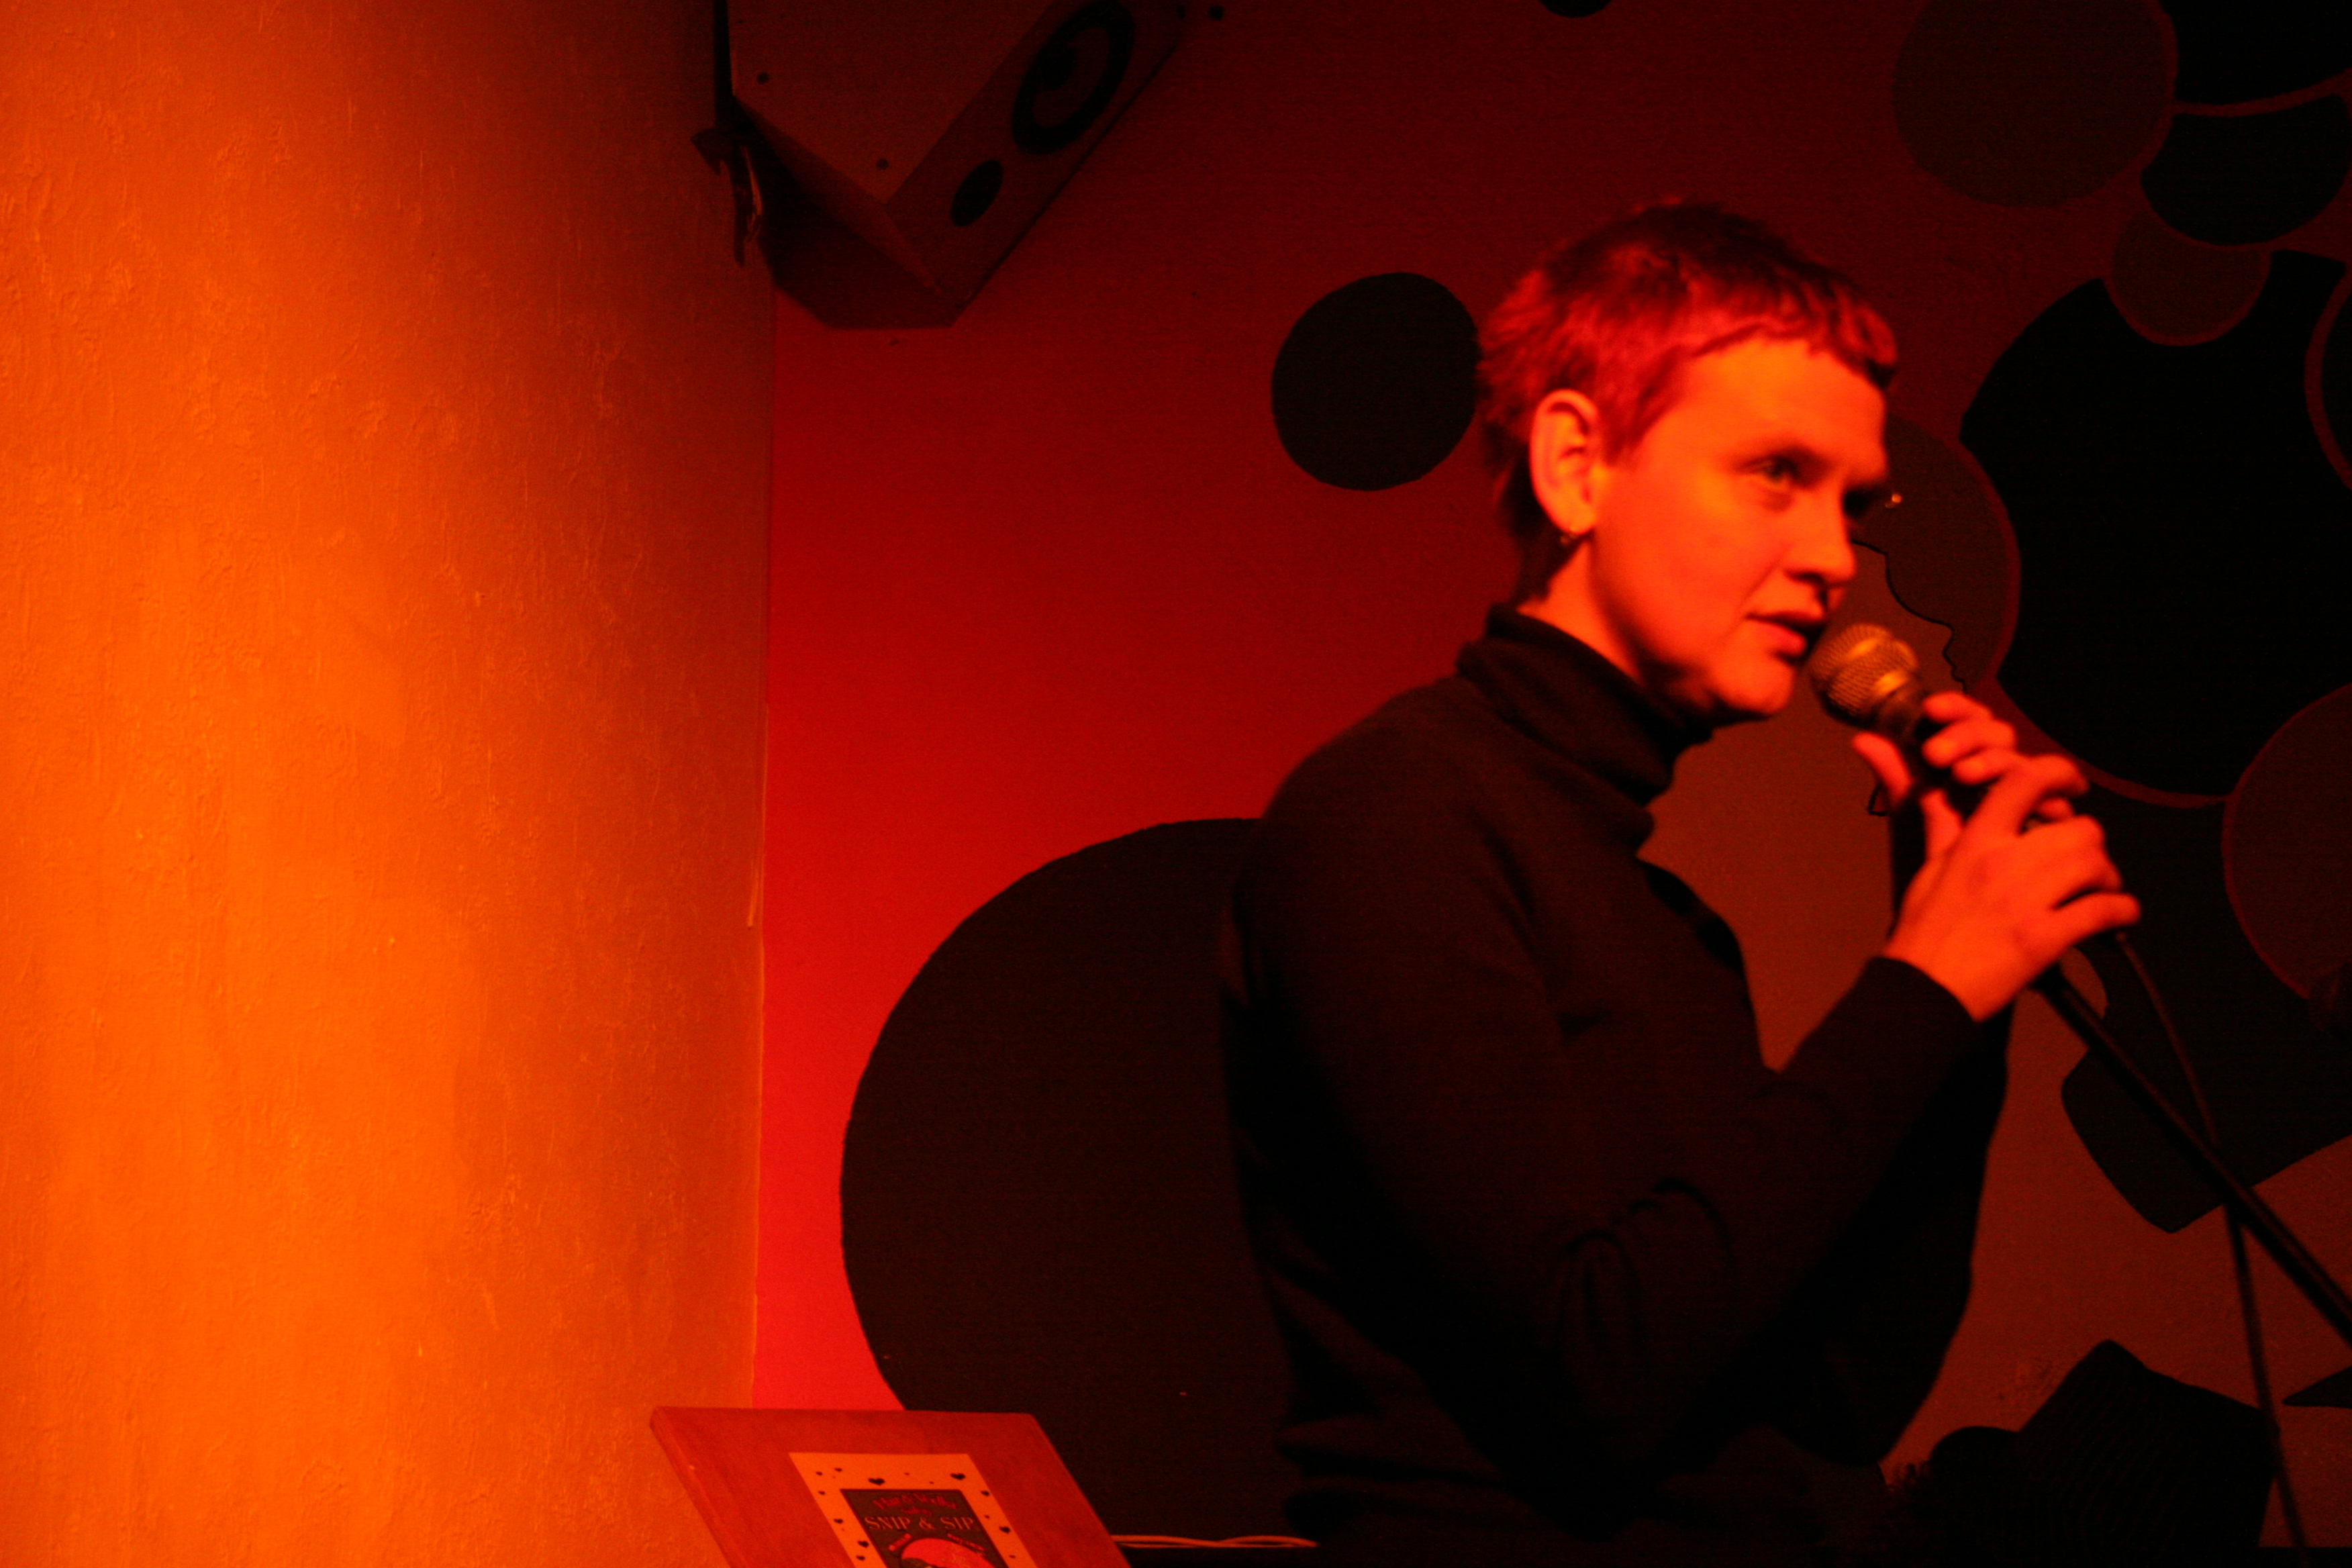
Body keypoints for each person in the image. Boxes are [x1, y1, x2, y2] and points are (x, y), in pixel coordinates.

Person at [1220, 204, 2137, 1567]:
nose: (1834, 557)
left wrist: (1967, 995)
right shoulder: (1394, 815)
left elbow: (1841, 1397)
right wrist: (1926, 984)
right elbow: (1594, 1369)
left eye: (1852, 504)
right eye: (1777, 474)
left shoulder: (1669, 921)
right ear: (1578, 465)